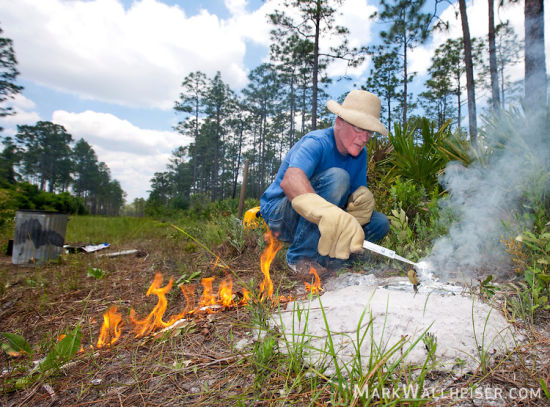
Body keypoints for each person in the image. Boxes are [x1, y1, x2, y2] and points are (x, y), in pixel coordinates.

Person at [260, 90, 390, 273]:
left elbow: (352, 198)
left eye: (369, 133)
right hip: (281, 217)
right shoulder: (317, 141)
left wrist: (360, 201)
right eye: (359, 129)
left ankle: (335, 256)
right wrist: (324, 211)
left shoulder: (361, 154)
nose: (364, 139)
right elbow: (290, 181)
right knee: (338, 177)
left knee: (380, 222)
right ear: (339, 122)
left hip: (318, 221)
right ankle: (300, 258)